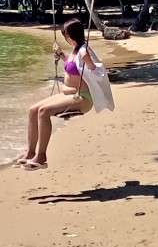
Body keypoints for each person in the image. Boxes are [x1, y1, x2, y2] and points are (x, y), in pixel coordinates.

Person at [17, 17, 106, 170]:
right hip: (68, 95)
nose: (65, 38)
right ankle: (30, 152)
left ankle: (41, 156)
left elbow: (95, 70)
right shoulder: (76, 50)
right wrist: (62, 56)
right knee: (33, 110)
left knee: (43, 112)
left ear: (70, 36)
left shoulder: (84, 51)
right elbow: (74, 65)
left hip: (82, 97)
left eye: (65, 35)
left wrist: (89, 61)